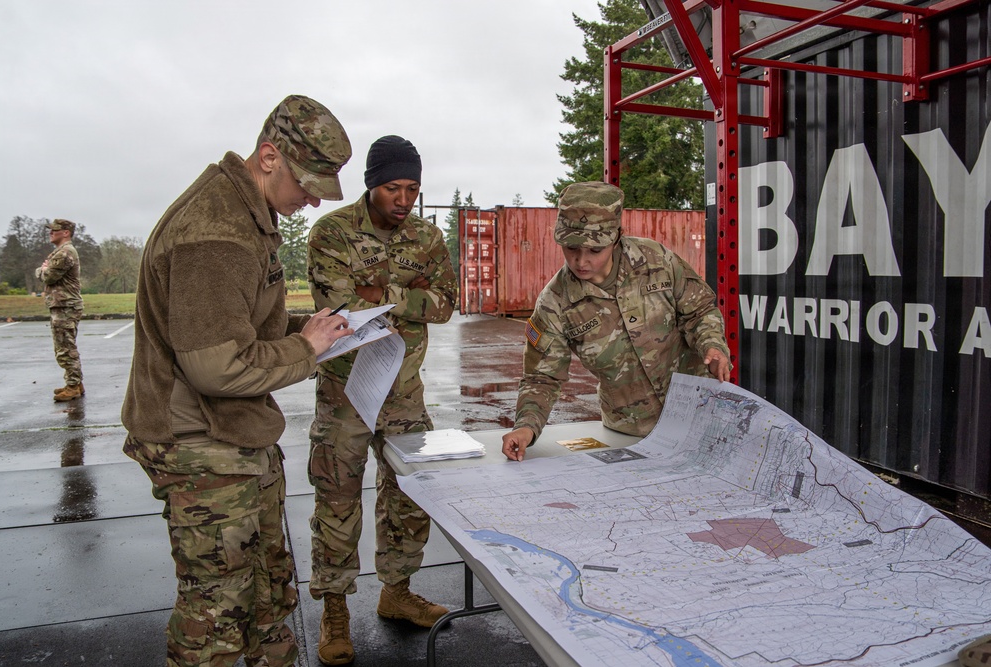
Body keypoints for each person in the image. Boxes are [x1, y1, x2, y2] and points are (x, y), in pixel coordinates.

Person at [121, 94, 355, 667]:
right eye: (306, 186)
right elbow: (216, 365)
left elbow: (243, 321)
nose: (308, 202)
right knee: (219, 616)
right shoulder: (216, 232)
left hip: (234, 438)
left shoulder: (246, 214)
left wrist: (314, 326)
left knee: (267, 591)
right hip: (202, 447)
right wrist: (307, 347)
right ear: (269, 158)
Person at [306, 135, 458, 665]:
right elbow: (339, 310)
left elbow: (445, 305)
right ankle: (334, 609)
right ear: (372, 184)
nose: (403, 199)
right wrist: (408, 293)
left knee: (409, 500)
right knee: (337, 503)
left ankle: (396, 593)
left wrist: (386, 295)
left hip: (404, 393)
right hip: (345, 393)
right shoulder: (332, 233)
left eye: (412, 188)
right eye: (393, 187)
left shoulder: (428, 236)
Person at [501, 181, 731, 462]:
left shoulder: (656, 261)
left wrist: (712, 345)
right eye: (571, 247)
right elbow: (542, 377)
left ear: (616, 238)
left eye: (595, 250)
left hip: (699, 416)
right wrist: (526, 426)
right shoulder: (555, 303)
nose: (581, 260)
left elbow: (700, 310)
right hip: (630, 433)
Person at [35, 218, 84, 402]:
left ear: (66, 232)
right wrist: (44, 269)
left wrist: (41, 270)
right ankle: (75, 383)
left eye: (55, 230)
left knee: (65, 348)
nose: (51, 233)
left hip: (65, 306)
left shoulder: (65, 253)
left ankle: (73, 386)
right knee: (66, 345)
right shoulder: (61, 251)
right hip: (62, 305)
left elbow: (48, 276)